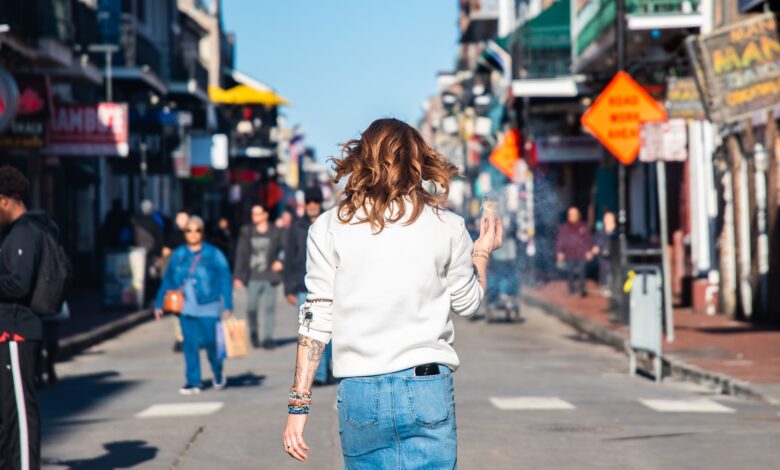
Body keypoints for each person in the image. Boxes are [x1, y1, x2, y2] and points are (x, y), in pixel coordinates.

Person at [282, 118, 503, 466]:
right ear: (417, 161)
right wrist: (482, 252)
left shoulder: (328, 227)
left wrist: (299, 406)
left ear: (362, 159)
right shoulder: (448, 226)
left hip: (360, 390)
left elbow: (316, 320)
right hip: (426, 384)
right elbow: (469, 302)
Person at [0, 165, 61, 470]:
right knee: (7, 413)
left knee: (21, 413)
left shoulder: (25, 232)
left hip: (16, 331)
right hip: (7, 330)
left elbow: (18, 284)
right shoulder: (13, 233)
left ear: (4, 200)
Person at [155, 216, 233, 395]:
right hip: (186, 306)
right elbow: (167, 280)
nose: (192, 233)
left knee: (211, 342)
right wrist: (159, 304)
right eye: (188, 230)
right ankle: (193, 381)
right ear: (184, 233)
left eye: (197, 230)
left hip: (209, 305)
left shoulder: (213, 254)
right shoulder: (179, 254)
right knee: (189, 344)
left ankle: (217, 370)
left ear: (203, 232)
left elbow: (224, 278)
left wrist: (227, 304)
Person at [282, 187, 332, 384]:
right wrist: (288, 287)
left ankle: (330, 369)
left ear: (319, 203)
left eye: (315, 202)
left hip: (329, 287)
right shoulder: (297, 227)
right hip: (304, 288)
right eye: (308, 202)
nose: (312, 206)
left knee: (331, 333)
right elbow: (289, 257)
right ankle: (318, 375)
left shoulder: (329, 223)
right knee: (310, 331)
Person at [233, 203, 284, 349]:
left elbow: (284, 248)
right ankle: (254, 332)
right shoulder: (247, 231)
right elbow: (241, 253)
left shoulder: (276, 231)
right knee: (251, 307)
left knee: (269, 308)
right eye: (252, 214)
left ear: (265, 215)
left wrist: (280, 261)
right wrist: (238, 275)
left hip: (270, 276)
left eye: (257, 213)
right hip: (253, 276)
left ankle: (268, 338)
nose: (254, 216)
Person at [161, 211, 189, 353]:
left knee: (181, 309)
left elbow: (165, 252)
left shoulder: (180, 235)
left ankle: (182, 337)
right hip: (178, 279)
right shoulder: (175, 235)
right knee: (178, 309)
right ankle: (181, 337)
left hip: (187, 279)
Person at [556, 206, 593, 297]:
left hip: (581, 253)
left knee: (582, 272)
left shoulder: (583, 226)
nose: (573, 216)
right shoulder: (564, 228)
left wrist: (589, 251)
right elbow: (561, 240)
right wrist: (560, 251)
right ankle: (571, 290)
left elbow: (588, 240)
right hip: (570, 254)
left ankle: (581, 289)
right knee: (570, 272)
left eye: (575, 214)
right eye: (571, 214)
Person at [592, 211, 617, 296]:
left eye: (609, 218)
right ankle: (605, 286)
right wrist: (596, 247)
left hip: (614, 255)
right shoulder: (600, 232)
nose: (607, 220)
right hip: (603, 255)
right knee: (604, 270)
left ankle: (613, 287)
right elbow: (596, 241)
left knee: (613, 270)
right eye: (606, 218)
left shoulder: (616, 231)